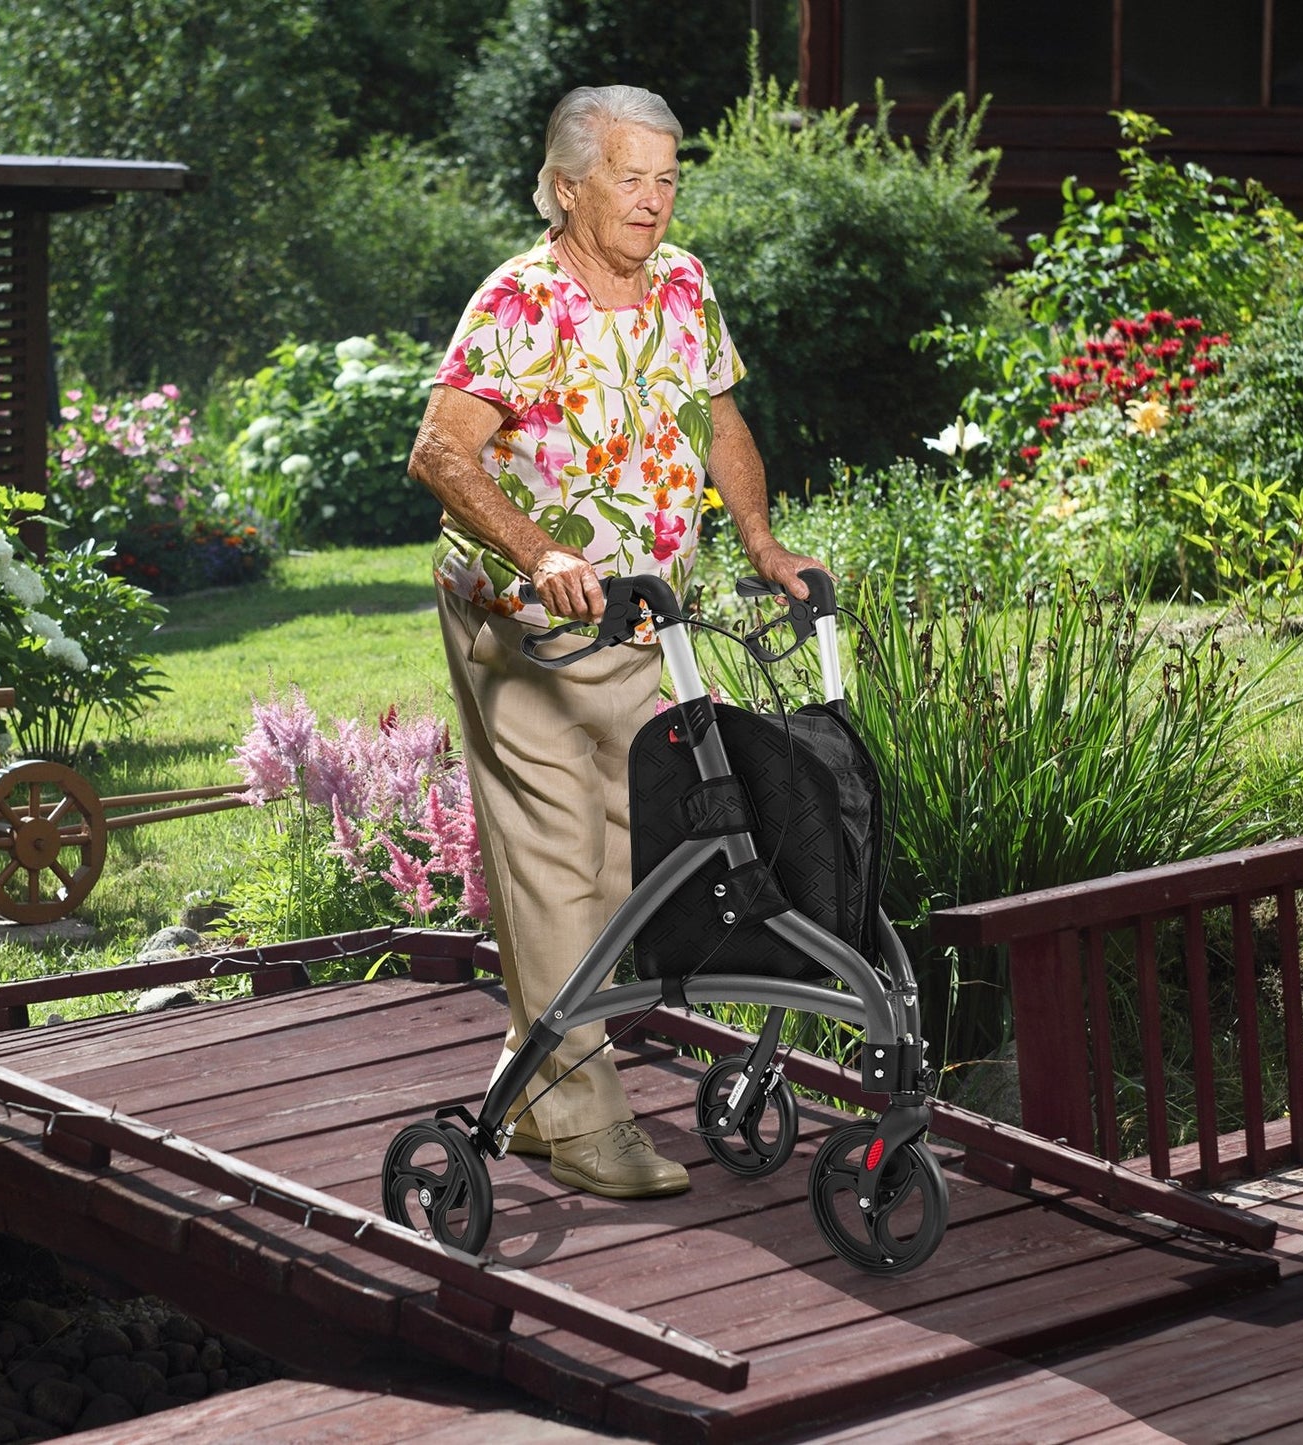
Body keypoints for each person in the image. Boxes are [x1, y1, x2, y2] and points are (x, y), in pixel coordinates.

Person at [408, 84, 823, 1200]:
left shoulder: (683, 283)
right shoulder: (518, 303)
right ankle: (586, 1119)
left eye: (667, 176)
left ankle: (531, 1075)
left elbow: (717, 420)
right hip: (525, 629)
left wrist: (760, 538)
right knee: (553, 856)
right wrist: (539, 549)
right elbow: (439, 456)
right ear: (565, 186)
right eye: (629, 178)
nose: (653, 200)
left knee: (613, 852)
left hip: (643, 617)